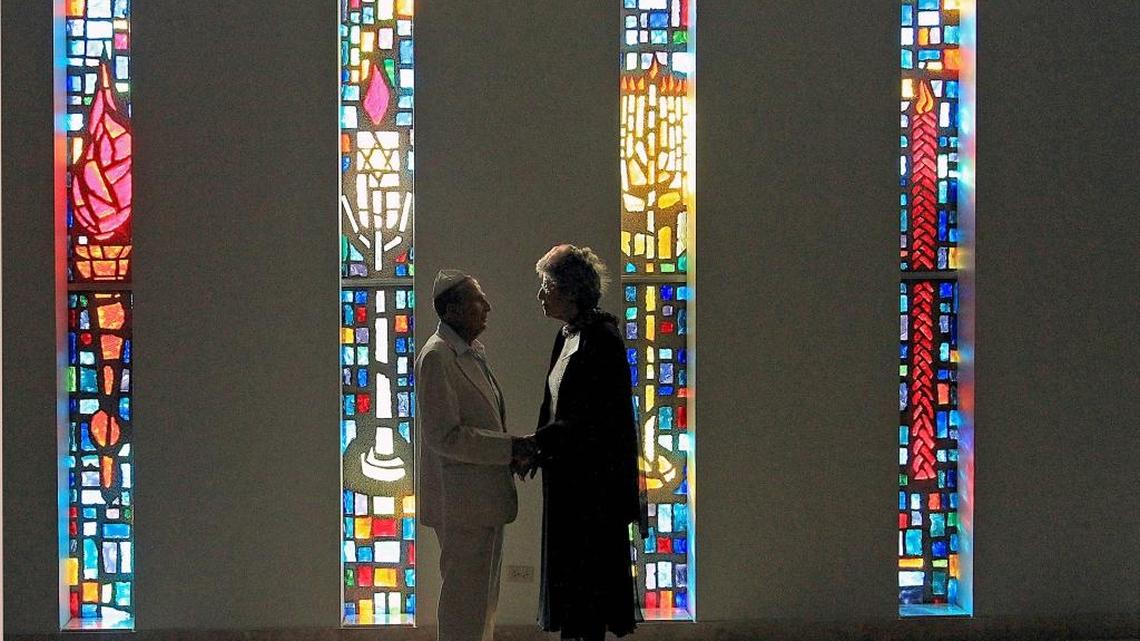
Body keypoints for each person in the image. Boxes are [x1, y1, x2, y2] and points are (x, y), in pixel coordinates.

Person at [525, 245, 648, 641]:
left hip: (592, 489)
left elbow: (589, 418)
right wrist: (538, 449)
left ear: (571, 290)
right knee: (571, 585)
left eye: (548, 285)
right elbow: (554, 406)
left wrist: (533, 443)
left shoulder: (601, 339)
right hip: (566, 482)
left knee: (588, 585)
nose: (542, 294)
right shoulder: (566, 337)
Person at [416, 269, 536, 641]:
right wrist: (510, 447)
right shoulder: (437, 357)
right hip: (461, 504)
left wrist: (509, 454)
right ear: (452, 310)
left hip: (481, 501)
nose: (488, 307)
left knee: (482, 606)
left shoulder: (468, 353)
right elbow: (445, 437)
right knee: (464, 608)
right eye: (477, 301)